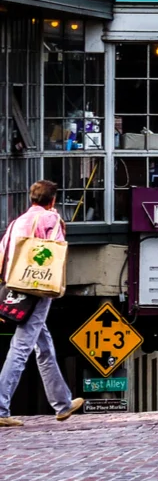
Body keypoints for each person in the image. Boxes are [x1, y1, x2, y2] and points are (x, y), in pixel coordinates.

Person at [0, 181, 84, 424]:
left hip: (16, 284)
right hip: (38, 288)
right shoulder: (51, 220)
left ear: (32, 198)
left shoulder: (18, 222)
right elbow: (57, 251)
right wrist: (59, 223)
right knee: (21, 348)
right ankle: (1, 408)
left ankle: (62, 404)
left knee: (43, 345)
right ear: (53, 200)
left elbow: (4, 252)